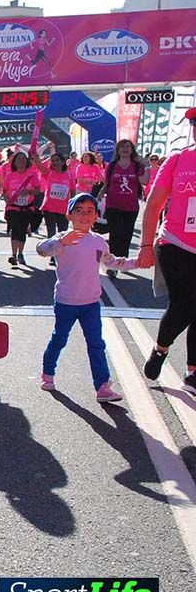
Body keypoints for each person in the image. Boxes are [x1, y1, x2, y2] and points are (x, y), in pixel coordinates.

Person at [37, 193, 136, 401]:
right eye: (79, 211)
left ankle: (102, 386)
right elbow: (42, 250)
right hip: (66, 301)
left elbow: (111, 262)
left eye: (90, 211)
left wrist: (136, 262)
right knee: (59, 338)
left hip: (91, 303)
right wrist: (62, 241)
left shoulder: (99, 242)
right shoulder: (61, 239)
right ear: (69, 216)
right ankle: (47, 373)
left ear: (95, 216)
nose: (84, 215)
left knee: (96, 343)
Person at [137, 107, 196, 395]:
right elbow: (153, 204)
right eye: (195, 124)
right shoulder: (178, 159)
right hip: (176, 243)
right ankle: (161, 349)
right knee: (184, 303)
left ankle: (193, 370)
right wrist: (146, 244)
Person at [98, 139, 149, 278]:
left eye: (128, 146)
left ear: (132, 150)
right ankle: (113, 265)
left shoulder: (137, 166)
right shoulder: (112, 165)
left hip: (130, 207)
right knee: (115, 234)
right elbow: (107, 183)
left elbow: (145, 181)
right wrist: (101, 193)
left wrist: (147, 167)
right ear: (118, 150)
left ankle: (122, 261)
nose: (125, 149)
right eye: (122, 147)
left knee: (126, 235)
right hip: (113, 205)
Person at [32, 152, 73, 266]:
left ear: (63, 162)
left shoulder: (69, 175)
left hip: (63, 208)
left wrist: (73, 206)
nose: (55, 163)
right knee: (51, 232)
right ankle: (53, 255)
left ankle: (61, 255)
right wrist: (35, 157)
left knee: (62, 232)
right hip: (49, 206)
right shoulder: (49, 173)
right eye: (53, 161)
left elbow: (73, 191)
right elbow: (39, 165)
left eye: (57, 160)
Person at [3, 151, 42, 266]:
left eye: (23, 159)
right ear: (14, 162)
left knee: (22, 230)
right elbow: (4, 191)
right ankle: (13, 255)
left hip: (26, 207)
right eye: (18, 159)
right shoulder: (10, 175)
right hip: (13, 207)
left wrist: (29, 192)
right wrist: (7, 200)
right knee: (15, 229)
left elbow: (38, 189)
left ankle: (21, 253)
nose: (21, 161)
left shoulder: (32, 174)